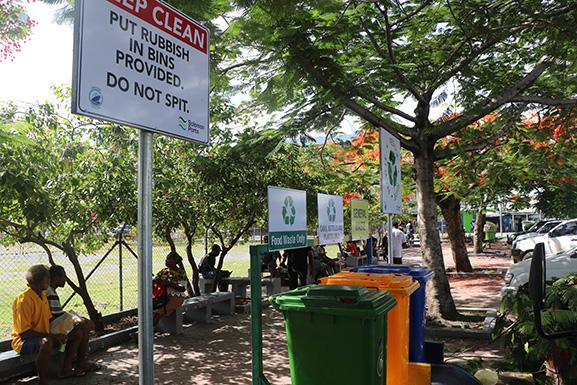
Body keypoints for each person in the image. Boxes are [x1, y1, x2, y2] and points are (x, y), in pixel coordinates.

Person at [12, 265, 66, 385]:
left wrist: (67, 326)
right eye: (48, 278)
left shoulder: (42, 295)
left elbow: (48, 320)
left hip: (42, 335)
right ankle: (43, 380)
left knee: (71, 334)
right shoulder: (24, 299)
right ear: (40, 280)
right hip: (23, 342)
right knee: (46, 342)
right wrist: (51, 336)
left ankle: (65, 370)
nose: (49, 280)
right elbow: (24, 333)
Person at [46, 265, 99, 376]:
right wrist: (76, 320)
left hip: (53, 326)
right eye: (64, 276)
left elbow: (57, 314)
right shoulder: (50, 292)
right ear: (56, 277)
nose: (65, 279)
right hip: (50, 329)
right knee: (83, 328)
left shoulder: (50, 290)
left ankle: (79, 364)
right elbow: (56, 316)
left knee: (83, 328)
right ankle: (78, 364)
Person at [153, 252, 190, 325]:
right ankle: (145, 331)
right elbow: (155, 280)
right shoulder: (164, 271)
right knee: (153, 309)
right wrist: (157, 281)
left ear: (174, 261)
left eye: (168, 259)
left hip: (176, 297)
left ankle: (144, 332)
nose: (166, 261)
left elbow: (182, 289)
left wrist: (170, 284)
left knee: (159, 311)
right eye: (166, 259)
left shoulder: (180, 272)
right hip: (163, 296)